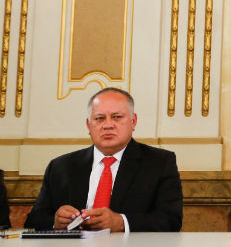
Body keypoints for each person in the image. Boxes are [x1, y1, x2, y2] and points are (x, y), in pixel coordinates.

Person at [25, 88, 183, 232]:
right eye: (99, 118)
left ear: (133, 121)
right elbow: (33, 221)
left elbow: (171, 220)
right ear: (88, 125)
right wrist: (55, 222)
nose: (108, 125)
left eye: (117, 117)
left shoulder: (159, 163)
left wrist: (121, 222)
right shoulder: (61, 166)